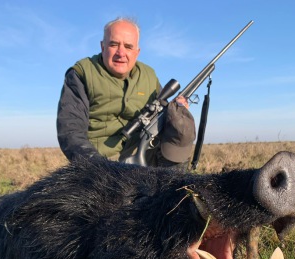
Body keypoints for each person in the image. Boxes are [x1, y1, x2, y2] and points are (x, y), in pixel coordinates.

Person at [56, 17, 195, 169]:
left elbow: (162, 114)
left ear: (137, 52)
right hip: (100, 164)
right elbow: (70, 131)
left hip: (144, 159)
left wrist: (176, 110)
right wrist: (99, 168)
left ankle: (176, 181)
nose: (121, 53)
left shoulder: (149, 76)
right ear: (102, 46)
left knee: (180, 128)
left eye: (128, 46)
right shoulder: (82, 73)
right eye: (114, 44)